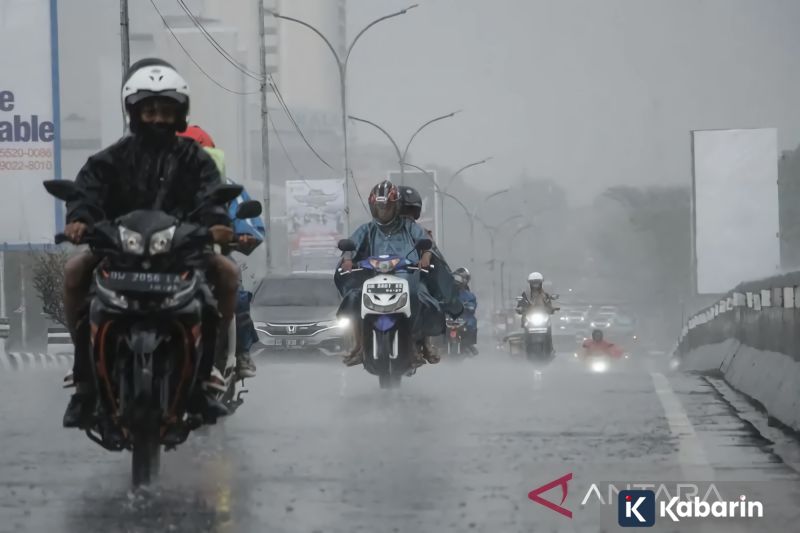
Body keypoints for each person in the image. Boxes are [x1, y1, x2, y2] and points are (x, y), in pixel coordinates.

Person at [61, 58, 239, 428]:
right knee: (74, 270)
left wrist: (218, 225)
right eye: (150, 110)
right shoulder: (109, 159)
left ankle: (208, 375)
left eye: (166, 110)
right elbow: (86, 191)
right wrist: (79, 219)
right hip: (117, 248)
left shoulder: (197, 160)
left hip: (181, 250)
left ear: (180, 113)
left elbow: (211, 197)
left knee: (227, 274)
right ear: (134, 111)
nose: (158, 118)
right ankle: (83, 380)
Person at [335, 180, 462, 367]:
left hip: (408, 277)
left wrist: (425, 256)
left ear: (395, 207)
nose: (383, 211)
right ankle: (359, 345)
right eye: (379, 207)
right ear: (373, 207)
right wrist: (347, 259)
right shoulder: (367, 229)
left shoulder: (409, 226)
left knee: (421, 297)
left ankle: (422, 344)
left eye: (386, 207)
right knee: (354, 297)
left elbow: (425, 241)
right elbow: (351, 245)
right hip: (373, 279)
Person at [177, 124, 264, 379]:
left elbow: (246, 220)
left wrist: (244, 235)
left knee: (235, 293)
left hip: (210, 256)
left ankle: (240, 353)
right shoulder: (155, 185)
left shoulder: (226, 187)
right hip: (164, 258)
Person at [452, 267, 479, 355]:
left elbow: (472, 307)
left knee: (472, 322)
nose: (457, 281)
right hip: (449, 317)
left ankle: (468, 344)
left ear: (465, 280)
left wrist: (467, 306)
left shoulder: (470, 296)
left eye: (460, 278)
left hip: (464, 318)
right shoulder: (447, 292)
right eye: (455, 277)